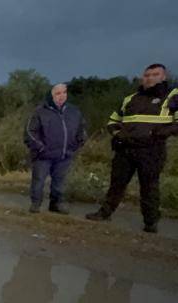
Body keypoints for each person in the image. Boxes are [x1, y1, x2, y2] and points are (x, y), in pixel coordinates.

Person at [86, 63, 178, 233]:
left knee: (149, 186)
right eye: (147, 75)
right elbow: (113, 121)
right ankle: (104, 213)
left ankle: (150, 222)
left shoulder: (172, 96)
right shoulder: (131, 98)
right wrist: (118, 135)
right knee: (117, 184)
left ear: (163, 77)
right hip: (126, 149)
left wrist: (158, 133)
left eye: (155, 74)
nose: (149, 78)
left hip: (151, 150)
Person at [24, 83, 87, 214]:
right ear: (51, 96)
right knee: (39, 181)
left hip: (64, 155)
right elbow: (30, 132)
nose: (62, 96)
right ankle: (35, 203)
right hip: (43, 156)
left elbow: (81, 130)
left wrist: (77, 144)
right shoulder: (40, 112)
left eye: (64, 92)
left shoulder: (74, 111)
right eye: (58, 93)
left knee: (59, 182)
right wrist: (40, 147)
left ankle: (56, 204)